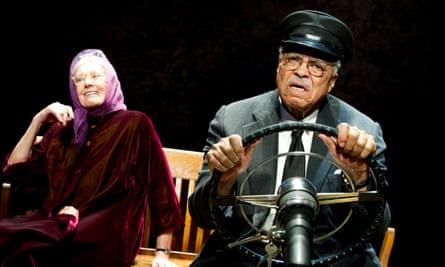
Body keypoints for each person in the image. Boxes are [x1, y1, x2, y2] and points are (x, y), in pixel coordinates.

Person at [188, 9, 391, 267]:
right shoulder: (233, 119)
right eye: (293, 59)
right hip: (246, 255)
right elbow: (201, 216)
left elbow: (376, 230)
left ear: (332, 81)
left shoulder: (362, 131)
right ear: (278, 66)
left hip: (329, 259)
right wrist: (224, 180)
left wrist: (361, 179)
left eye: (317, 66)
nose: (302, 72)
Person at [0, 48, 184, 267]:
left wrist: (162, 253)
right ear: (73, 87)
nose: (87, 83)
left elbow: (160, 187)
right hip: (52, 226)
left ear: (111, 81)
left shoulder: (135, 124)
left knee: (24, 246)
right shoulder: (62, 130)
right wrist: (38, 120)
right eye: (79, 79)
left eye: (95, 76)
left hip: (103, 236)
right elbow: (15, 172)